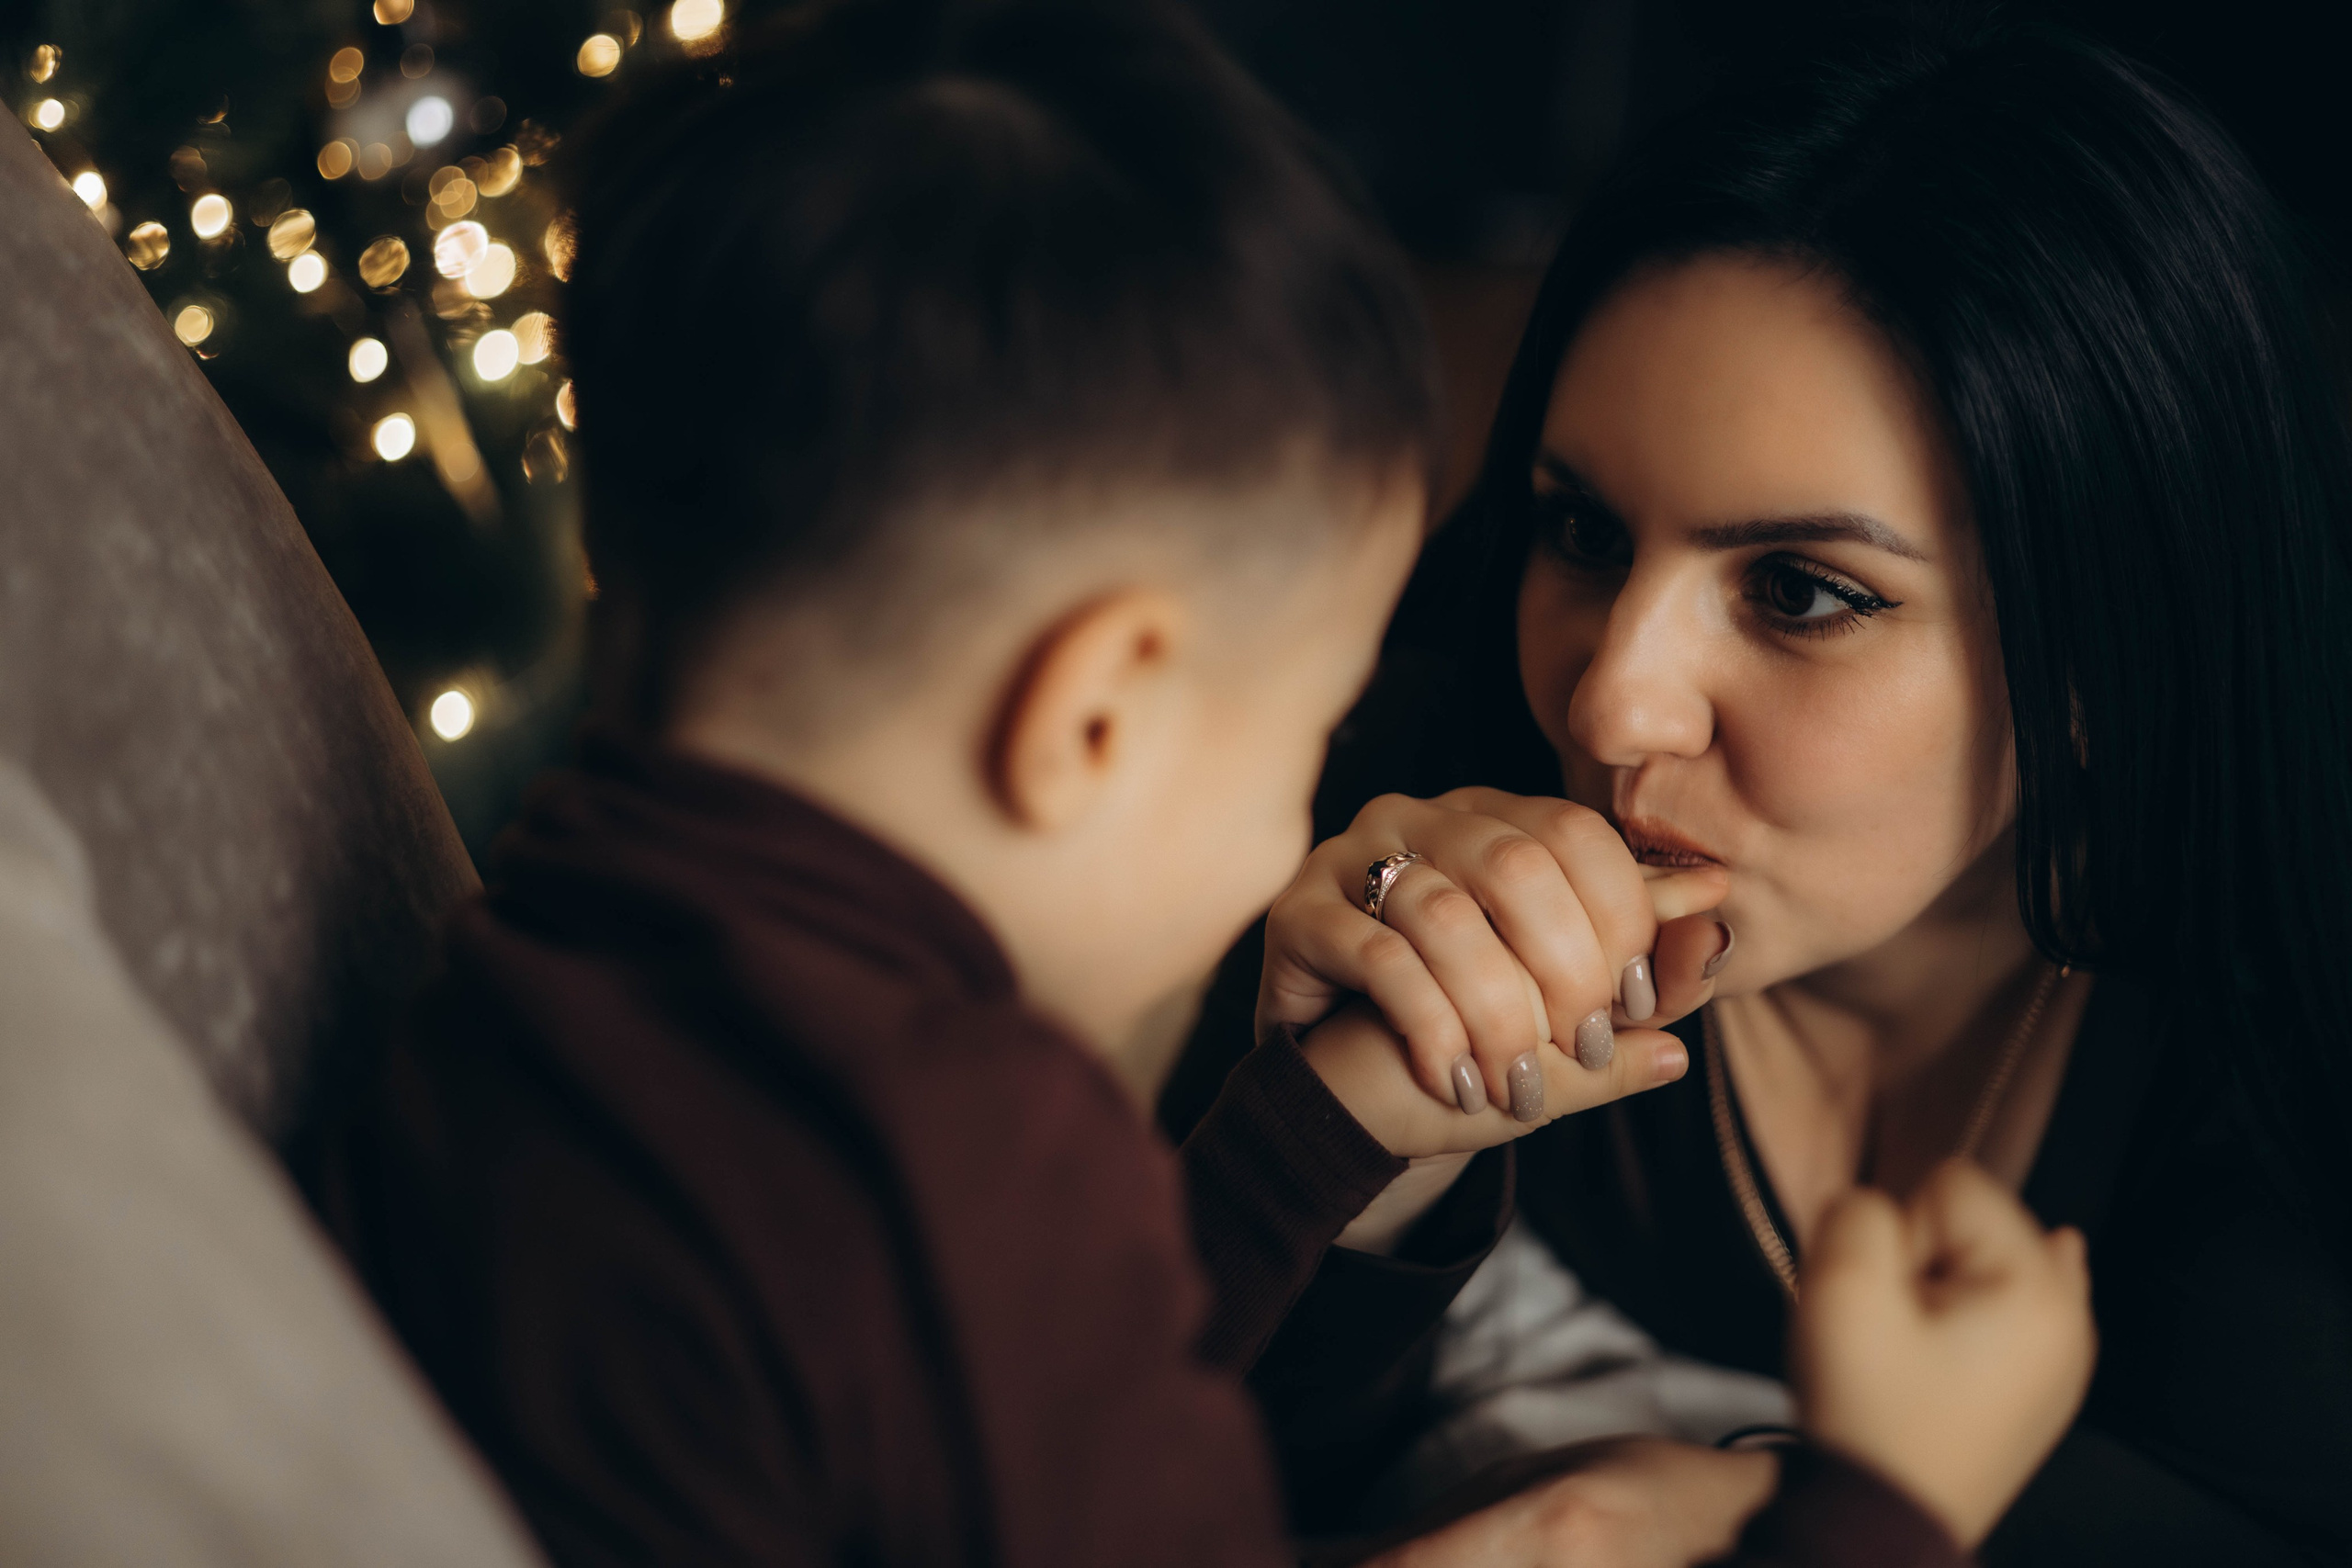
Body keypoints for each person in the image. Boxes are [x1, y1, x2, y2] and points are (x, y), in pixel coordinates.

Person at [322, 2, 2093, 1563]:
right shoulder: (981, 1157)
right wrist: (1873, 1514)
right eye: (1303, 731)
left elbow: (1009, 1409)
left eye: (1803, 591)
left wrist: (1315, 1134)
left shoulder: (515, 972)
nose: (1608, 704)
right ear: (1093, 716)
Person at [1169, 12, 2352, 1564]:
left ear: (2103, 662)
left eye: (1800, 591)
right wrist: (1338, 1160)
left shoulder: (2291, 1042)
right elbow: (1114, 1478)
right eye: (1584, 532)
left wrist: (1739, 1503)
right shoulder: (1401, 835)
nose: (1608, 698)